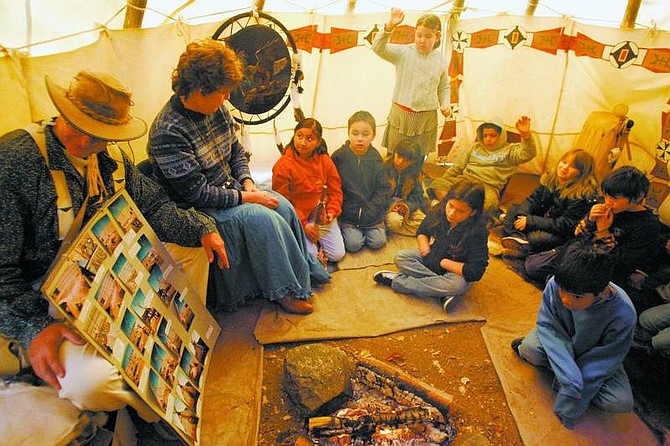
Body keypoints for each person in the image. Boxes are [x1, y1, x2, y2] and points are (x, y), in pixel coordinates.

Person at [0, 70, 227, 427]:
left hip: (114, 282)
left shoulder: (112, 158)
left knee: (195, 249)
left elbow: (154, 207)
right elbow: (1, 272)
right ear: (64, 114)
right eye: (81, 127)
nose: (90, 140)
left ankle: (179, 350)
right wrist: (34, 327)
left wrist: (202, 229)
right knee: (90, 385)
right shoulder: (15, 162)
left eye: (101, 134)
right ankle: (153, 412)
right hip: (46, 300)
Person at [147, 39, 329, 315]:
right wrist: (248, 198)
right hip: (197, 207)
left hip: (230, 187)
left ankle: (301, 267)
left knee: (282, 205)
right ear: (199, 89)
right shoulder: (167, 131)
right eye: (222, 92)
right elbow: (197, 194)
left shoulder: (216, 107)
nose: (227, 98)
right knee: (262, 218)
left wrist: (247, 182)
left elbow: (236, 151)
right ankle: (285, 289)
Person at [511, 241, 636, 429]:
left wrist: (570, 401)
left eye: (577, 297)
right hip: (559, 340)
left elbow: (606, 358)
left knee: (620, 402)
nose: (566, 300)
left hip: (595, 356)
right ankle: (563, 375)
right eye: (563, 292)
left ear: (601, 292)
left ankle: (562, 376)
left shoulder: (624, 313)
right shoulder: (557, 283)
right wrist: (569, 375)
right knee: (529, 350)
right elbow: (548, 324)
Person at [525, 166, 661, 290]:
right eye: (606, 195)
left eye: (615, 198)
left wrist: (603, 232)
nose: (608, 201)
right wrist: (589, 220)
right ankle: (559, 276)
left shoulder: (648, 224)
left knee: (564, 281)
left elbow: (621, 264)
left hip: (603, 268)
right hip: (581, 253)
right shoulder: (604, 205)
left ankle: (562, 280)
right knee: (533, 266)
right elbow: (577, 235)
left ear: (638, 197)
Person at [374, 179, 489, 310]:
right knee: (401, 257)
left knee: (457, 285)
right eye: (451, 206)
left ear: (473, 212)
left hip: (455, 269)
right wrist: (425, 252)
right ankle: (441, 291)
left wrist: (442, 262)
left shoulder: (478, 231)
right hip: (432, 256)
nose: (451, 214)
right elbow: (423, 231)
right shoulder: (439, 210)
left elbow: (475, 271)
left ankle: (398, 281)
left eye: (460, 211)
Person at [372, 7, 450, 157]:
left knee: (418, 159)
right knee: (394, 157)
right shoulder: (403, 53)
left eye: (428, 36)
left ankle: (414, 180)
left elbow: (443, 87)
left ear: (437, 37)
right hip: (401, 116)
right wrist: (390, 26)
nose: (422, 40)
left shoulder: (440, 60)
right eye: (419, 35)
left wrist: (445, 104)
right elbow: (377, 48)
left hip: (426, 120)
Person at [427, 116, 536, 217]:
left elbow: (528, 154)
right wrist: (444, 180)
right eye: (485, 135)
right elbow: (457, 168)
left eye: (493, 135)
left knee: (488, 205)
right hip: (464, 181)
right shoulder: (475, 147)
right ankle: (457, 211)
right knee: (438, 183)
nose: (488, 139)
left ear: (501, 136)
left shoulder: (510, 150)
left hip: (488, 188)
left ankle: (446, 208)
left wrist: (526, 135)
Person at [272, 118, 346, 266]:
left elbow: (336, 191)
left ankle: (319, 247)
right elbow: (283, 203)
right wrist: (304, 224)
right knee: (311, 259)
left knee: (337, 255)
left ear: (318, 142)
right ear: (294, 136)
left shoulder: (325, 161)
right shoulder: (283, 165)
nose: (303, 142)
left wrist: (331, 212)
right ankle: (314, 250)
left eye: (309, 138)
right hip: (300, 220)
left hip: (322, 217)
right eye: (299, 136)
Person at [499, 149, 599, 257]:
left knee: (536, 237)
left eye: (573, 167)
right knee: (515, 209)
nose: (565, 167)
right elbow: (533, 199)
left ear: (581, 173)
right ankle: (520, 240)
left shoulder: (580, 195)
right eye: (564, 162)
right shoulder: (551, 179)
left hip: (560, 232)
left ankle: (520, 241)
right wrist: (522, 216)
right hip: (544, 219)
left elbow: (565, 224)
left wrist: (530, 222)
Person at [332, 111, 391, 252]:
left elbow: (383, 189)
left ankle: (368, 230)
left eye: (365, 134)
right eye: (355, 133)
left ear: (373, 135)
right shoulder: (339, 157)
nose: (360, 139)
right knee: (354, 244)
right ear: (348, 133)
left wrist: (372, 209)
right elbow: (333, 188)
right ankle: (352, 232)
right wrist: (347, 209)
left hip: (371, 213)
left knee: (378, 242)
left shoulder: (375, 158)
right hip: (348, 214)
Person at [384, 139, 429, 236]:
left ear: (412, 162)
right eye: (399, 156)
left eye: (406, 160)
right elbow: (378, 195)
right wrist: (393, 205)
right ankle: (393, 225)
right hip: (388, 207)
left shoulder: (415, 173)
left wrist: (407, 206)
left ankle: (392, 227)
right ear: (394, 153)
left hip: (405, 206)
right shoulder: (383, 168)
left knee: (426, 223)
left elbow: (418, 196)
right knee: (395, 222)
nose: (400, 162)